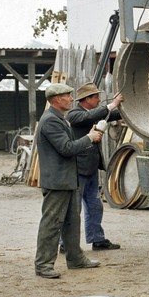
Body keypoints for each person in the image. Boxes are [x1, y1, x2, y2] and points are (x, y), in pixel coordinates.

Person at [34, 83, 102, 279]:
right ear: (57, 100)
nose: (72, 99)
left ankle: (75, 259)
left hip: (66, 180)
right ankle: (43, 265)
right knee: (52, 223)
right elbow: (66, 148)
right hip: (57, 182)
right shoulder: (51, 122)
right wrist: (89, 138)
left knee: (72, 221)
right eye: (68, 96)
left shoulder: (58, 118)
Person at [67, 81, 124, 251]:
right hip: (79, 168)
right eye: (96, 97)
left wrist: (119, 108)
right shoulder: (74, 114)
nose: (99, 99)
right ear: (87, 99)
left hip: (90, 167)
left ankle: (97, 239)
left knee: (94, 205)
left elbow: (109, 115)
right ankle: (66, 243)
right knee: (74, 209)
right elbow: (90, 117)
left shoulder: (92, 112)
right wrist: (111, 105)